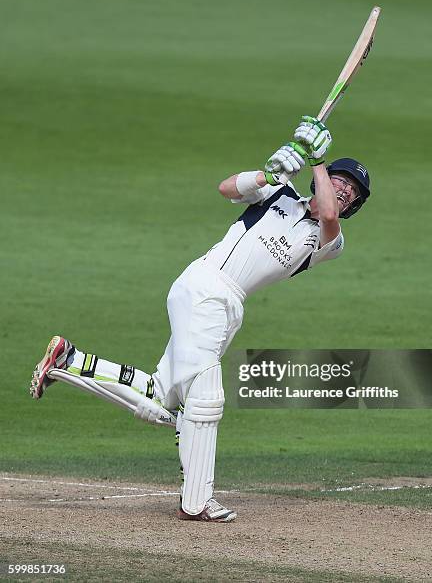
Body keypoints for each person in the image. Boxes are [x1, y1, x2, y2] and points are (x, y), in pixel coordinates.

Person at [30, 116, 371, 522]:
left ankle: (70, 362)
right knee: (206, 400)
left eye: (352, 193)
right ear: (324, 180)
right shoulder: (278, 195)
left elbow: (328, 214)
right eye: (341, 181)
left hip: (231, 305)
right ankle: (196, 502)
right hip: (205, 285)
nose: (344, 192)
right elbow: (227, 187)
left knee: (163, 398)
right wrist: (267, 173)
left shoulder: (329, 242)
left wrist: (317, 159)